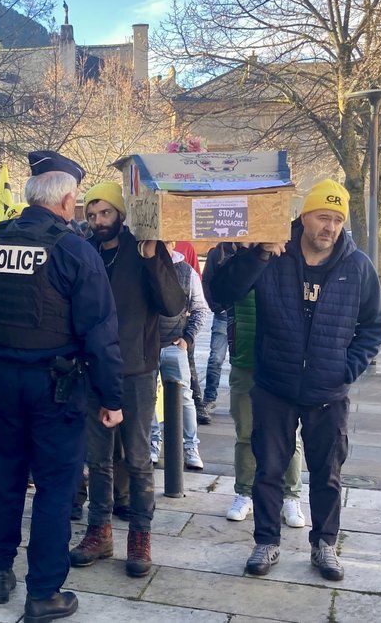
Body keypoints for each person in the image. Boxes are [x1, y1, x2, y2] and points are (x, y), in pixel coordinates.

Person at [0, 150, 122, 621]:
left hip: (3, 382)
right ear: (68, 199)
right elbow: (99, 333)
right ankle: (44, 592)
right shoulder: (75, 251)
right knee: (55, 488)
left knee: (6, 478)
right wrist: (112, 399)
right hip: (56, 387)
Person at [208, 179, 381, 581]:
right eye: (324, 217)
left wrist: (348, 366)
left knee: (328, 473)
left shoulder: (357, 266)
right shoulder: (274, 254)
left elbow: (375, 324)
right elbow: (220, 294)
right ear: (303, 216)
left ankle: (324, 544)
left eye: (338, 219)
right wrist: (257, 256)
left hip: (329, 391)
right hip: (275, 384)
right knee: (268, 468)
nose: (331, 227)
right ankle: (266, 541)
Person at [69, 181, 185, 579]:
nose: (99, 221)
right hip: (91, 369)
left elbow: (173, 304)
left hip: (135, 369)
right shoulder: (84, 252)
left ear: (120, 213)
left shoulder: (143, 249)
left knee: (136, 458)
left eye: (105, 213)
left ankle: (140, 534)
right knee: (97, 458)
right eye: (92, 215)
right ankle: (99, 531)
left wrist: (153, 257)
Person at [204, 243, 305, 526]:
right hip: (245, 354)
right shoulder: (224, 251)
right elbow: (215, 296)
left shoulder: (286, 250)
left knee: (288, 434)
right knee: (246, 432)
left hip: (282, 358)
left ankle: (291, 495)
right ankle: (244, 492)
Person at [154, 249, 211, 471]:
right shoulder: (144, 265)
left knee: (184, 397)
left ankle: (190, 446)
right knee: (150, 397)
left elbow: (200, 309)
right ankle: (153, 442)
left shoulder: (186, 271)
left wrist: (188, 337)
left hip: (173, 344)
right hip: (148, 345)